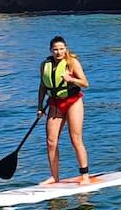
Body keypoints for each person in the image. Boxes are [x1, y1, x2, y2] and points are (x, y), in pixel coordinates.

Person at [36, 35, 95, 186]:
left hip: (73, 102)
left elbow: (85, 83)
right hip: (55, 104)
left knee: (75, 139)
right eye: (55, 49)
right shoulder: (45, 65)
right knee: (51, 142)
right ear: (51, 50)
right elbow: (42, 87)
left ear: (66, 49)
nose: (58, 52)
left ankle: (85, 176)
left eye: (61, 49)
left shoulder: (72, 62)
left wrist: (72, 79)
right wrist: (40, 107)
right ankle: (54, 177)